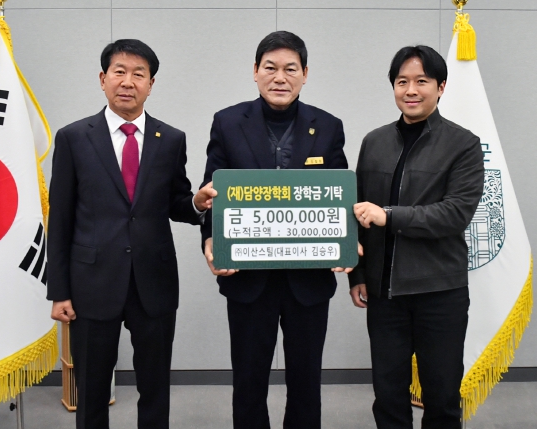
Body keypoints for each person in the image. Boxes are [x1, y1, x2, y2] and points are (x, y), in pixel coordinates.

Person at [47, 39, 215, 429]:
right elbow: (61, 219)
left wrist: (196, 203)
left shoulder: (170, 139)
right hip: (91, 284)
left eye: (139, 74)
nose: (128, 82)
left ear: (151, 84)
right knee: (91, 392)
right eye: (119, 72)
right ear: (103, 79)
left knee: (155, 389)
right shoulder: (73, 138)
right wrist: (60, 291)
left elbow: (175, 202)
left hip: (153, 283)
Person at [200, 31, 348, 429]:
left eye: (290, 69)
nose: (280, 77)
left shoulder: (328, 126)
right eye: (270, 67)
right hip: (248, 279)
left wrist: (344, 243)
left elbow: (339, 197)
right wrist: (210, 240)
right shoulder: (228, 122)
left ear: (305, 74)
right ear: (255, 71)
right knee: (248, 382)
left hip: (308, 281)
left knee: (306, 383)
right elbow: (213, 192)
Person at [348, 45, 484, 429]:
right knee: (388, 396)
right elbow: (357, 212)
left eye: (421, 81)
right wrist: (357, 274)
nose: (411, 90)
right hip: (384, 294)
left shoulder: (464, 144)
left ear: (441, 87)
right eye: (402, 81)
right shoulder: (374, 141)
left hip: (439, 292)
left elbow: (454, 214)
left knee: (442, 397)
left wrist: (389, 215)